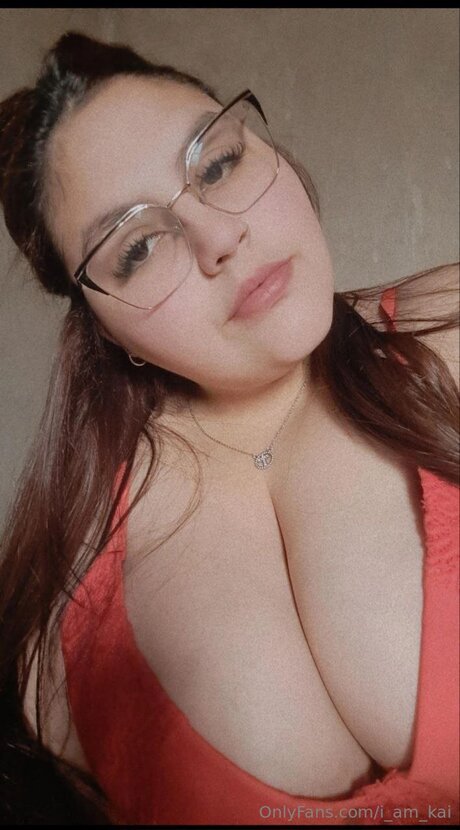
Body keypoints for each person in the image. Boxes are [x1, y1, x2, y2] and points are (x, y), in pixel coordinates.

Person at [0, 31, 458, 826]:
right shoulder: (62, 639)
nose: (220, 238)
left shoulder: (450, 334)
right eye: (139, 247)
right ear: (105, 328)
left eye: (216, 164)